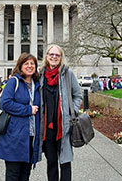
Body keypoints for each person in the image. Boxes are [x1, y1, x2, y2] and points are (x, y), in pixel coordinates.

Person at [39, 44, 82, 181]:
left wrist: (72, 111)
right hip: (47, 128)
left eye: (57, 55)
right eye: (51, 54)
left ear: (61, 58)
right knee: (51, 162)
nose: (54, 57)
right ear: (46, 56)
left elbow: (78, 95)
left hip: (64, 126)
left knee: (65, 162)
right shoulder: (41, 75)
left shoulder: (67, 74)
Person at [0, 53, 41, 181]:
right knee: (13, 175)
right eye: (26, 63)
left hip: (31, 137)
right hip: (14, 136)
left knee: (25, 175)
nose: (30, 66)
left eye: (32, 64)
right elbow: (6, 103)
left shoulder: (37, 84)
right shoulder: (13, 82)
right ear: (20, 66)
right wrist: (28, 110)